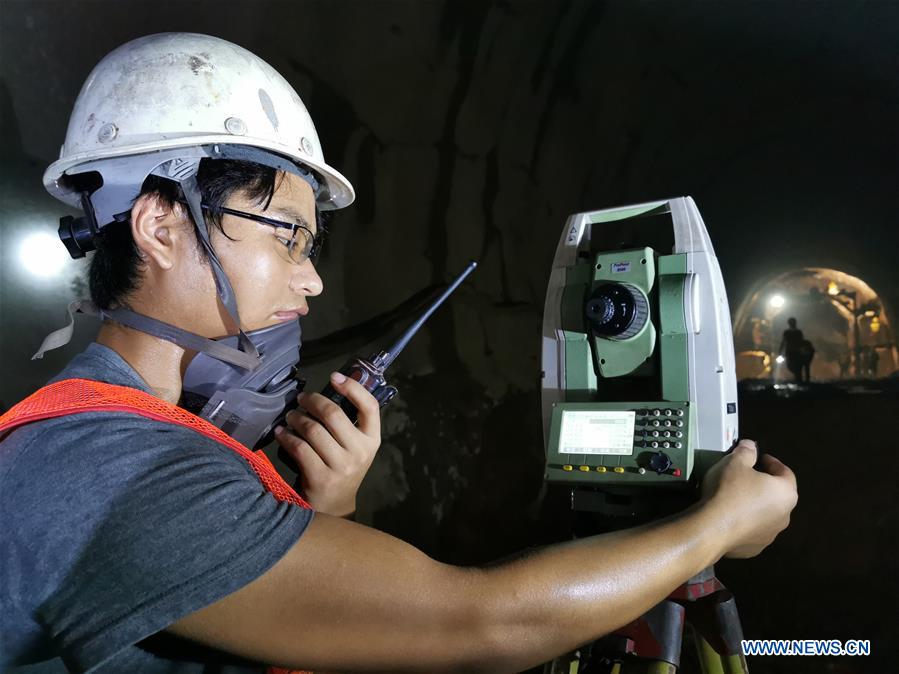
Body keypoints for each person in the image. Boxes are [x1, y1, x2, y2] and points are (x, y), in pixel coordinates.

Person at [0, 33, 798, 673]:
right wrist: (715, 526)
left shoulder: (132, 434)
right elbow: (486, 623)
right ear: (161, 225)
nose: (311, 279)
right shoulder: (105, 468)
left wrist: (323, 511)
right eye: (290, 237)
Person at [778, 317, 806, 383]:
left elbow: (784, 342)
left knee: (793, 366)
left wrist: (780, 350)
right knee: (793, 366)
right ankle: (798, 379)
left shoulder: (790, 332)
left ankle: (798, 379)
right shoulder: (796, 332)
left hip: (793, 351)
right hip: (793, 351)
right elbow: (802, 342)